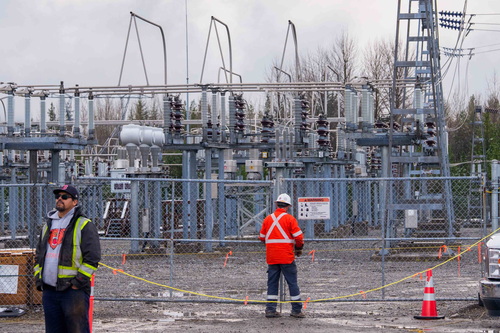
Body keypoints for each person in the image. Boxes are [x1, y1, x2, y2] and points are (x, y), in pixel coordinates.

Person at [34, 184, 101, 333]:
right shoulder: (48, 225)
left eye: (65, 197)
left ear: (75, 202)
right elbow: (39, 255)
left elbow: (92, 258)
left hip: (72, 291)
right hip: (50, 291)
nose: (59, 199)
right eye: (58, 196)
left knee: (77, 329)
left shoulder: (84, 224)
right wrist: (39, 279)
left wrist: (77, 283)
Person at [259, 193, 305, 318]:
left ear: (277, 204)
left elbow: (262, 237)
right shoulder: (290, 219)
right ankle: (296, 310)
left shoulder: (268, 219)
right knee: (292, 283)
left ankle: (270, 309)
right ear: (288, 206)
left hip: (272, 256)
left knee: (272, 283)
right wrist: (299, 248)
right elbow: (299, 237)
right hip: (287, 256)